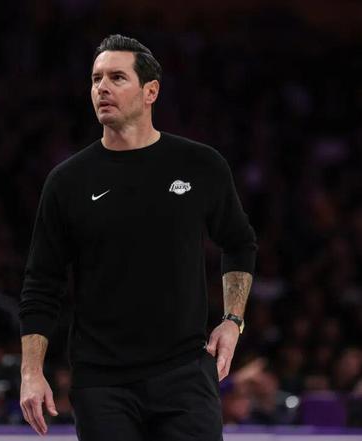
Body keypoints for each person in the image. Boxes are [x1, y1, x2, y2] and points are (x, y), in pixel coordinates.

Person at [19, 34, 257, 441]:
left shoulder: (200, 164)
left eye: (116, 77)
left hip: (184, 372)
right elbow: (41, 282)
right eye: (96, 79)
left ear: (151, 92)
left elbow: (239, 242)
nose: (102, 88)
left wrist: (233, 321)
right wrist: (31, 372)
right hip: (101, 382)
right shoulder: (68, 181)